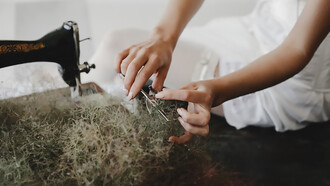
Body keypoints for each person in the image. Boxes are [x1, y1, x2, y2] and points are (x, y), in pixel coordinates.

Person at [93, 0, 330, 144]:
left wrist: (217, 90)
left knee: (115, 46)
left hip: (289, 78)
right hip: (255, 28)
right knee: (124, 52)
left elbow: (297, 49)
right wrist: (163, 37)